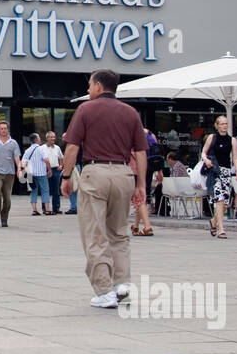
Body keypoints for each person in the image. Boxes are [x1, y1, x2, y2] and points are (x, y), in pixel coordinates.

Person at [59, 69, 146, 309]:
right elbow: (140, 152)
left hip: (95, 172)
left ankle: (104, 290)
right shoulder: (131, 113)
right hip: (123, 174)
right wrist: (140, 184)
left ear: (98, 86)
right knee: (119, 232)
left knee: (95, 233)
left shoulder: (86, 109)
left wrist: (66, 176)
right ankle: (122, 284)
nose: (88, 90)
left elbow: (72, 147)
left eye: (89, 85)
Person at [200, 115, 237, 237]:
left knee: (225, 203)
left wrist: (236, 170)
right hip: (215, 171)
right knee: (219, 200)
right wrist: (206, 160)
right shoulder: (212, 137)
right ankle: (221, 229)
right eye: (222, 124)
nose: (224, 126)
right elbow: (203, 152)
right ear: (217, 125)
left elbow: (235, 157)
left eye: (226, 124)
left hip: (226, 172)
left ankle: (213, 221)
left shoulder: (232, 140)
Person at [133, 125, 162, 235]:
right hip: (149, 168)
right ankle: (135, 225)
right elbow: (157, 153)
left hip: (136, 168)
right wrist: (159, 171)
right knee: (142, 196)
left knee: (139, 197)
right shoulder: (150, 134)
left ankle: (147, 226)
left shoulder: (133, 134)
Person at [22, 133, 51, 216]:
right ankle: (47, 209)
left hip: (31, 174)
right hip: (41, 173)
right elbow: (46, 160)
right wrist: (49, 170)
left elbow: (23, 163)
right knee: (45, 190)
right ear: (37, 140)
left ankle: (34, 210)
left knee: (33, 191)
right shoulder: (41, 149)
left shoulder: (27, 150)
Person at [43, 131, 64, 216]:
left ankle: (56, 208)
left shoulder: (57, 148)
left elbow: (62, 157)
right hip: (45, 170)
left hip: (55, 170)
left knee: (56, 190)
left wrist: (61, 165)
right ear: (47, 138)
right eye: (51, 137)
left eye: (54, 137)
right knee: (46, 190)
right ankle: (45, 208)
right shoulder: (42, 148)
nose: (53, 139)